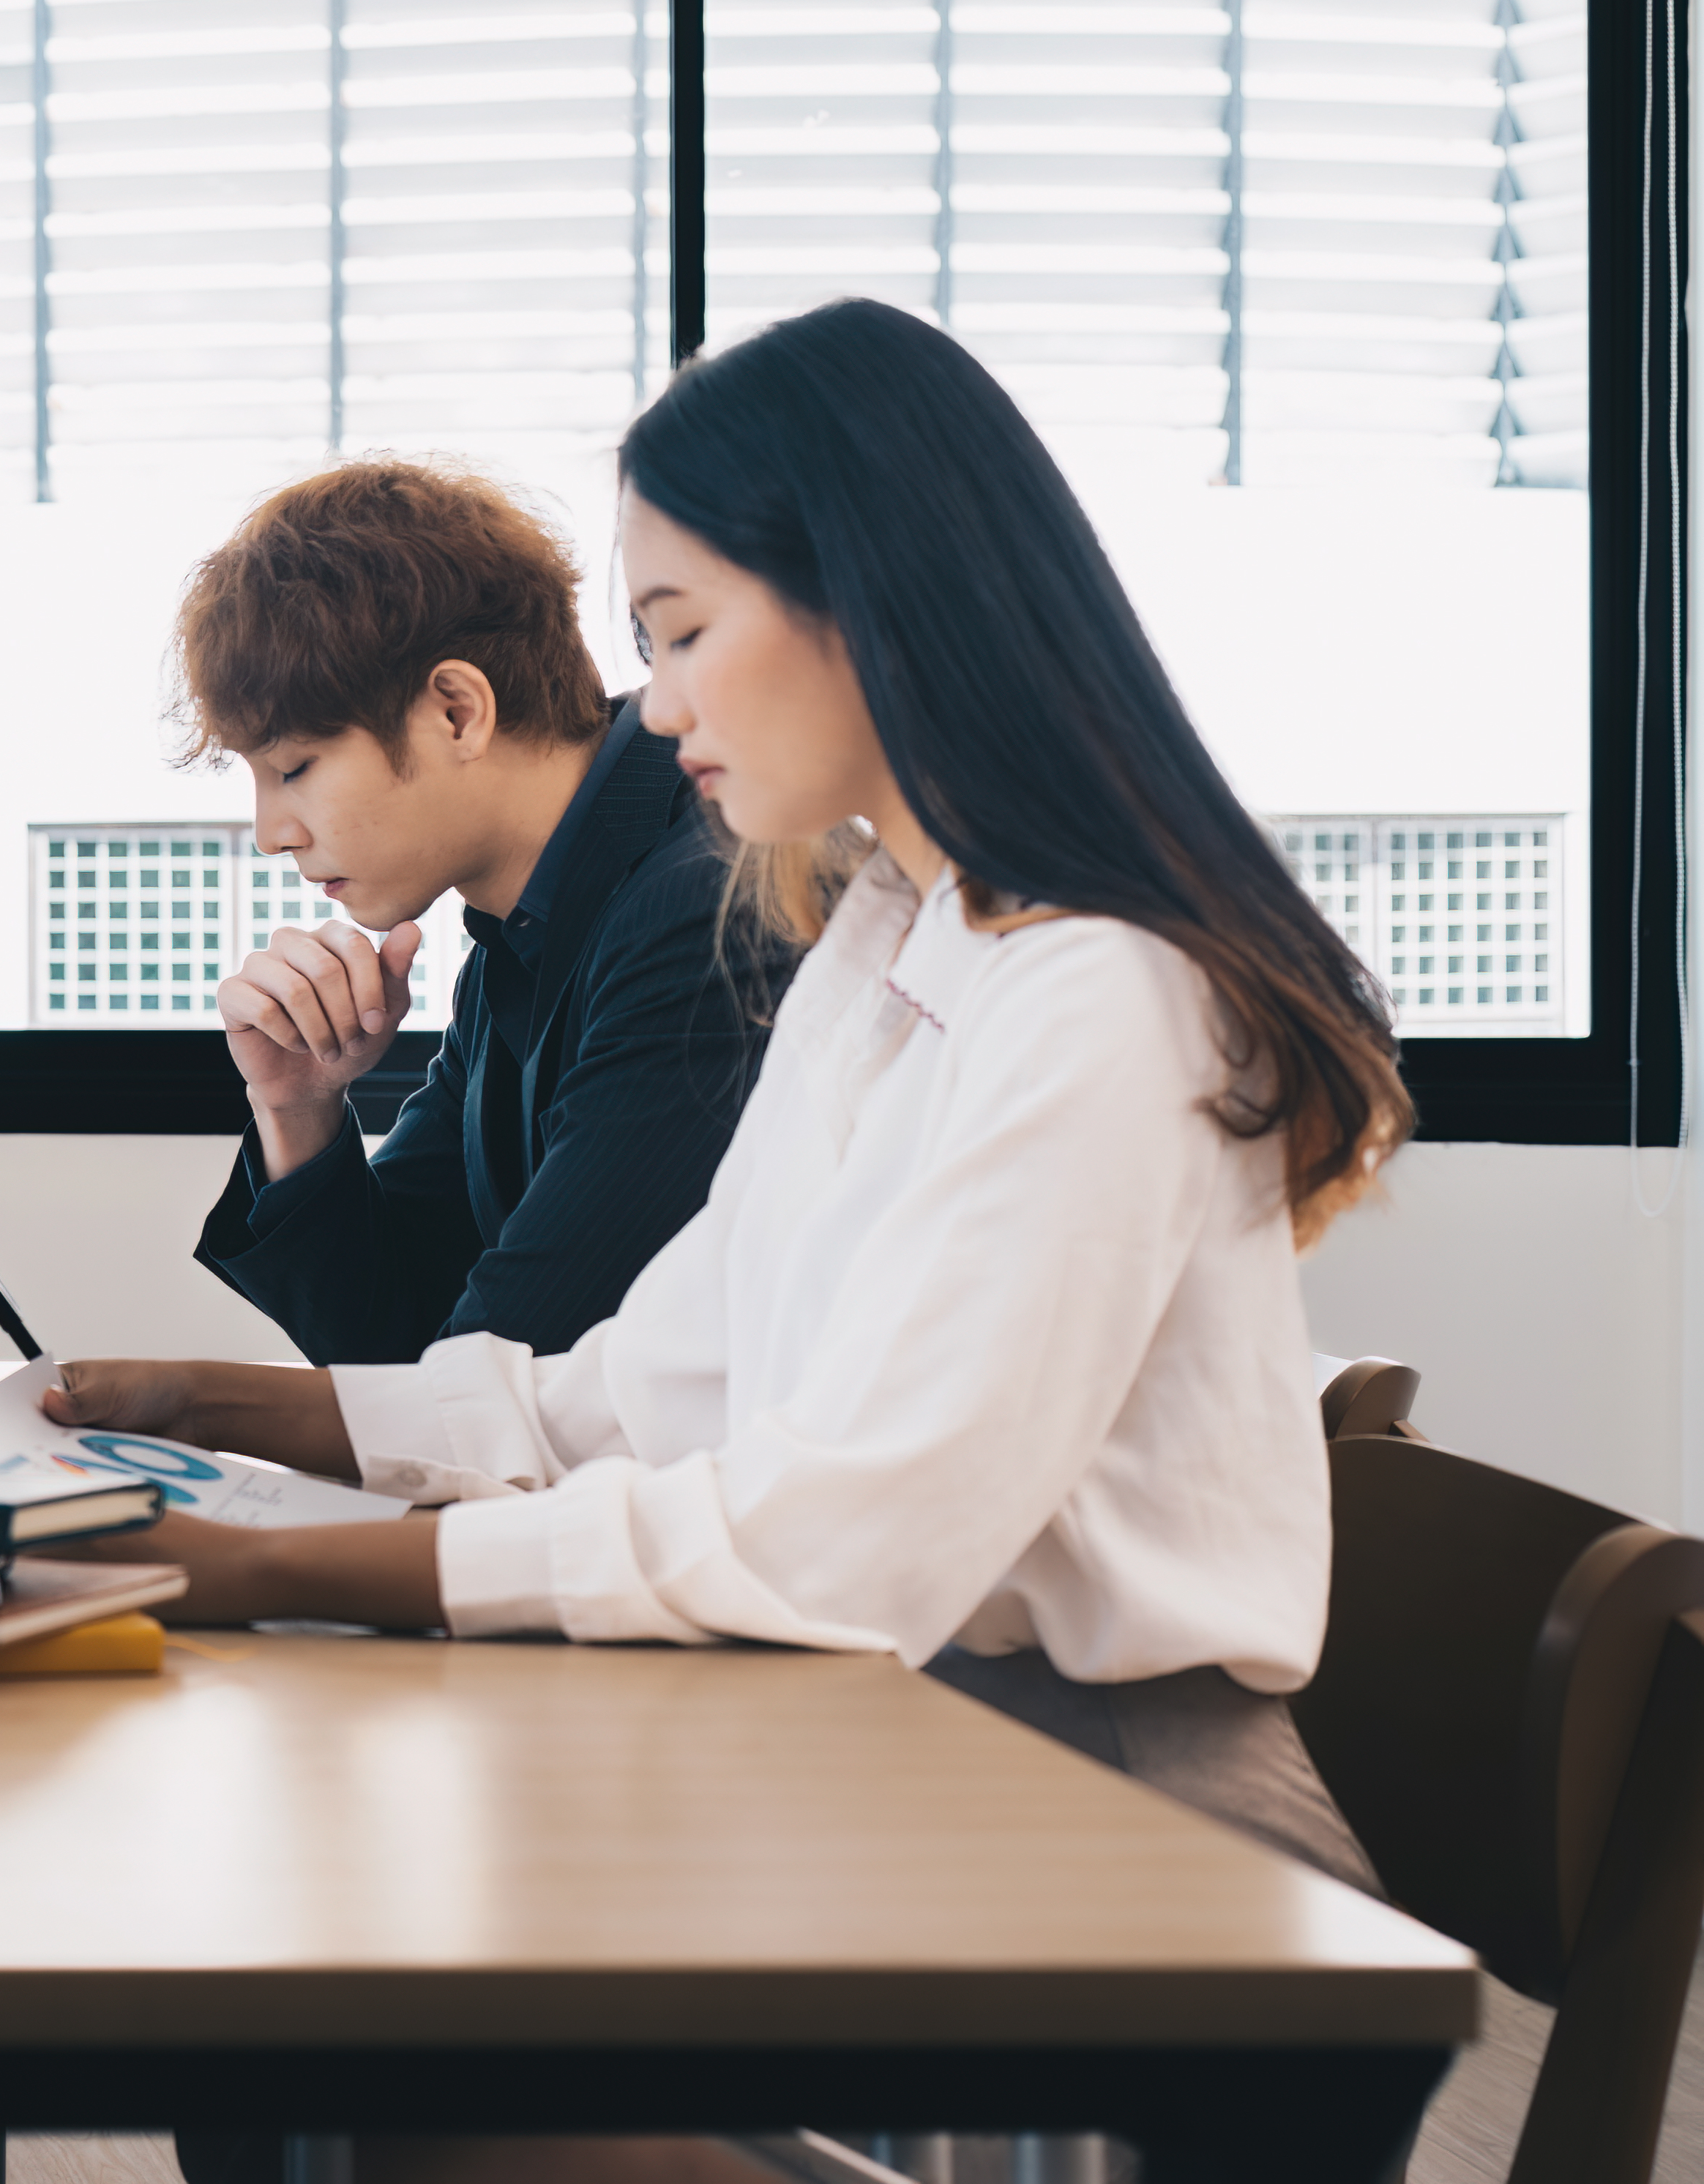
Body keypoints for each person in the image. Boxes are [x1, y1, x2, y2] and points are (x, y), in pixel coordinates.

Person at [71, 298, 1399, 1889]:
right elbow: (639, 1386)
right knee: (320, 1998)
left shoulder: (1100, 987)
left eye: (683, 632)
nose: (653, 705)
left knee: (346, 2023)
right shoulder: (888, 939)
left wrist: (260, 1567)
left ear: (870, 605)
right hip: (913, 1738)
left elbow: (835, 1538)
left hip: (1120, 1831)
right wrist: (196, 1406)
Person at [176, 457, 790, 1363]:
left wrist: (182, 1407)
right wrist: (297, 1108)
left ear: (457, 710)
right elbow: (399, 1339)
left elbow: (491, 1380)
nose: (271, 833)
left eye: (294, 766)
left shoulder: (699, 911)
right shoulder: (520, 928)